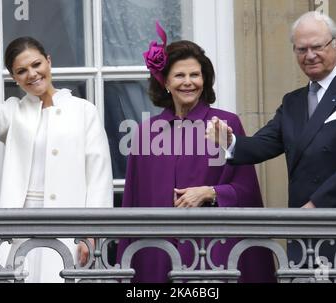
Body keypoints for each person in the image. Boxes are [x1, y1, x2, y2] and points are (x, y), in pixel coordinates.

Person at [207, 11, 336, 283]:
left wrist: (316, 204)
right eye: (301, 49)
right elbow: (265, 143)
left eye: (318, 46)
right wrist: (229, 141)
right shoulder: (293, 101)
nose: (310, 55)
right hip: (303, 235)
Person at [116, 22, 276, 283]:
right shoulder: (146, 132)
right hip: (158, 256)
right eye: (180, 76)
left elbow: (247, 190)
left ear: (205, 80)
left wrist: (210, 192)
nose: (188, 82)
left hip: (215, 253)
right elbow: (133, 201)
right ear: (165, 81)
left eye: (195, 75)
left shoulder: (227, 123)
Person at [0, 25, 113, 282]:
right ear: (15, 77)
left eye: (36, 64)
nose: (32, 74)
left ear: (49, 61)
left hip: (70, 223)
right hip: (21, 223)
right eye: (21, 71)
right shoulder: (14, 111)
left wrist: (91, 234)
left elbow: (99, 178)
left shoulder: (84, 111)